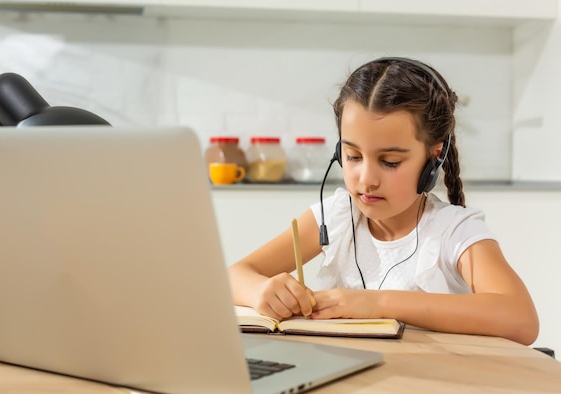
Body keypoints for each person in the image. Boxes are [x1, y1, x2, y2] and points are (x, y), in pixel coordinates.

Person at [228, 57, 539, 345]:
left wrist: (378, 303)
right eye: (352, 156)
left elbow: (521, 318)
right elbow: (233, 275)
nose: (366, 179)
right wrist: (260, 291)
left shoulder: (453, 231)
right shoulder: (335, 216)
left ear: (433, 159)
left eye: (390, 161)